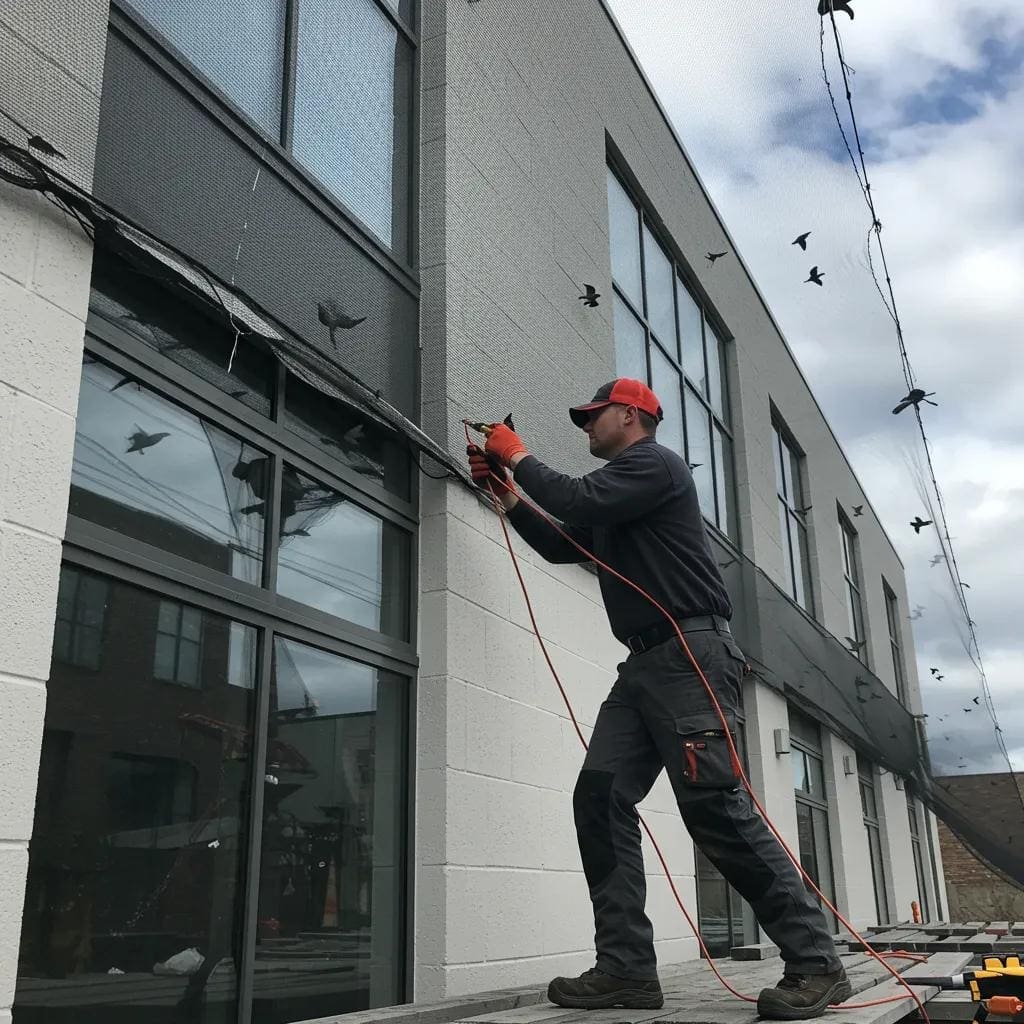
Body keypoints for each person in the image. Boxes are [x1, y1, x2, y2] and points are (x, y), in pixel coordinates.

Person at [466, 379, 850, 1020]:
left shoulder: (653, 465)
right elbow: (567, 543)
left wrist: (516, 453)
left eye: (593, 417)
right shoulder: (621, 496)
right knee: (601, 794)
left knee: (716, 809)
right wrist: (507, 495)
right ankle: (625, 971)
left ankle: (816, 964)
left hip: (690, 655)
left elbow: (573, 495)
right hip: (647, 663)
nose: (586, 427)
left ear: (629, 415)